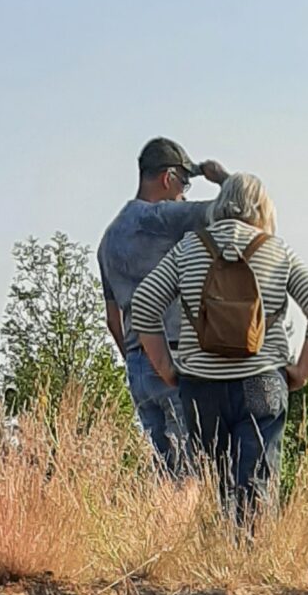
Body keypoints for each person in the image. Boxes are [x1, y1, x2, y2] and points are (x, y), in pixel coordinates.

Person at [129, 173, 308, 525]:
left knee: (219, 482)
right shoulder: (276, 251)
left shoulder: (189, 248)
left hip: (200, 385)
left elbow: (145, 302)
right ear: (262, 208)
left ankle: (223, 561)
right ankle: (248, 565)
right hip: (261, 382)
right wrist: (301, 371)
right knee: (255, 482)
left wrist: (166, 367)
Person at [96, 137, 229, 475]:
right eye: (183, 182)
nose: (184, 192)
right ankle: (177, 530)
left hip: (138, 366)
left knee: (167, 474)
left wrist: (139, 360)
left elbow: (114, 319)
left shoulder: (109, 238)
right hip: (175, 355)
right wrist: (220, 178)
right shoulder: (164, 218)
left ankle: (159, 529)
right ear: (168, 178)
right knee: (192, 473)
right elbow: (240, 208)